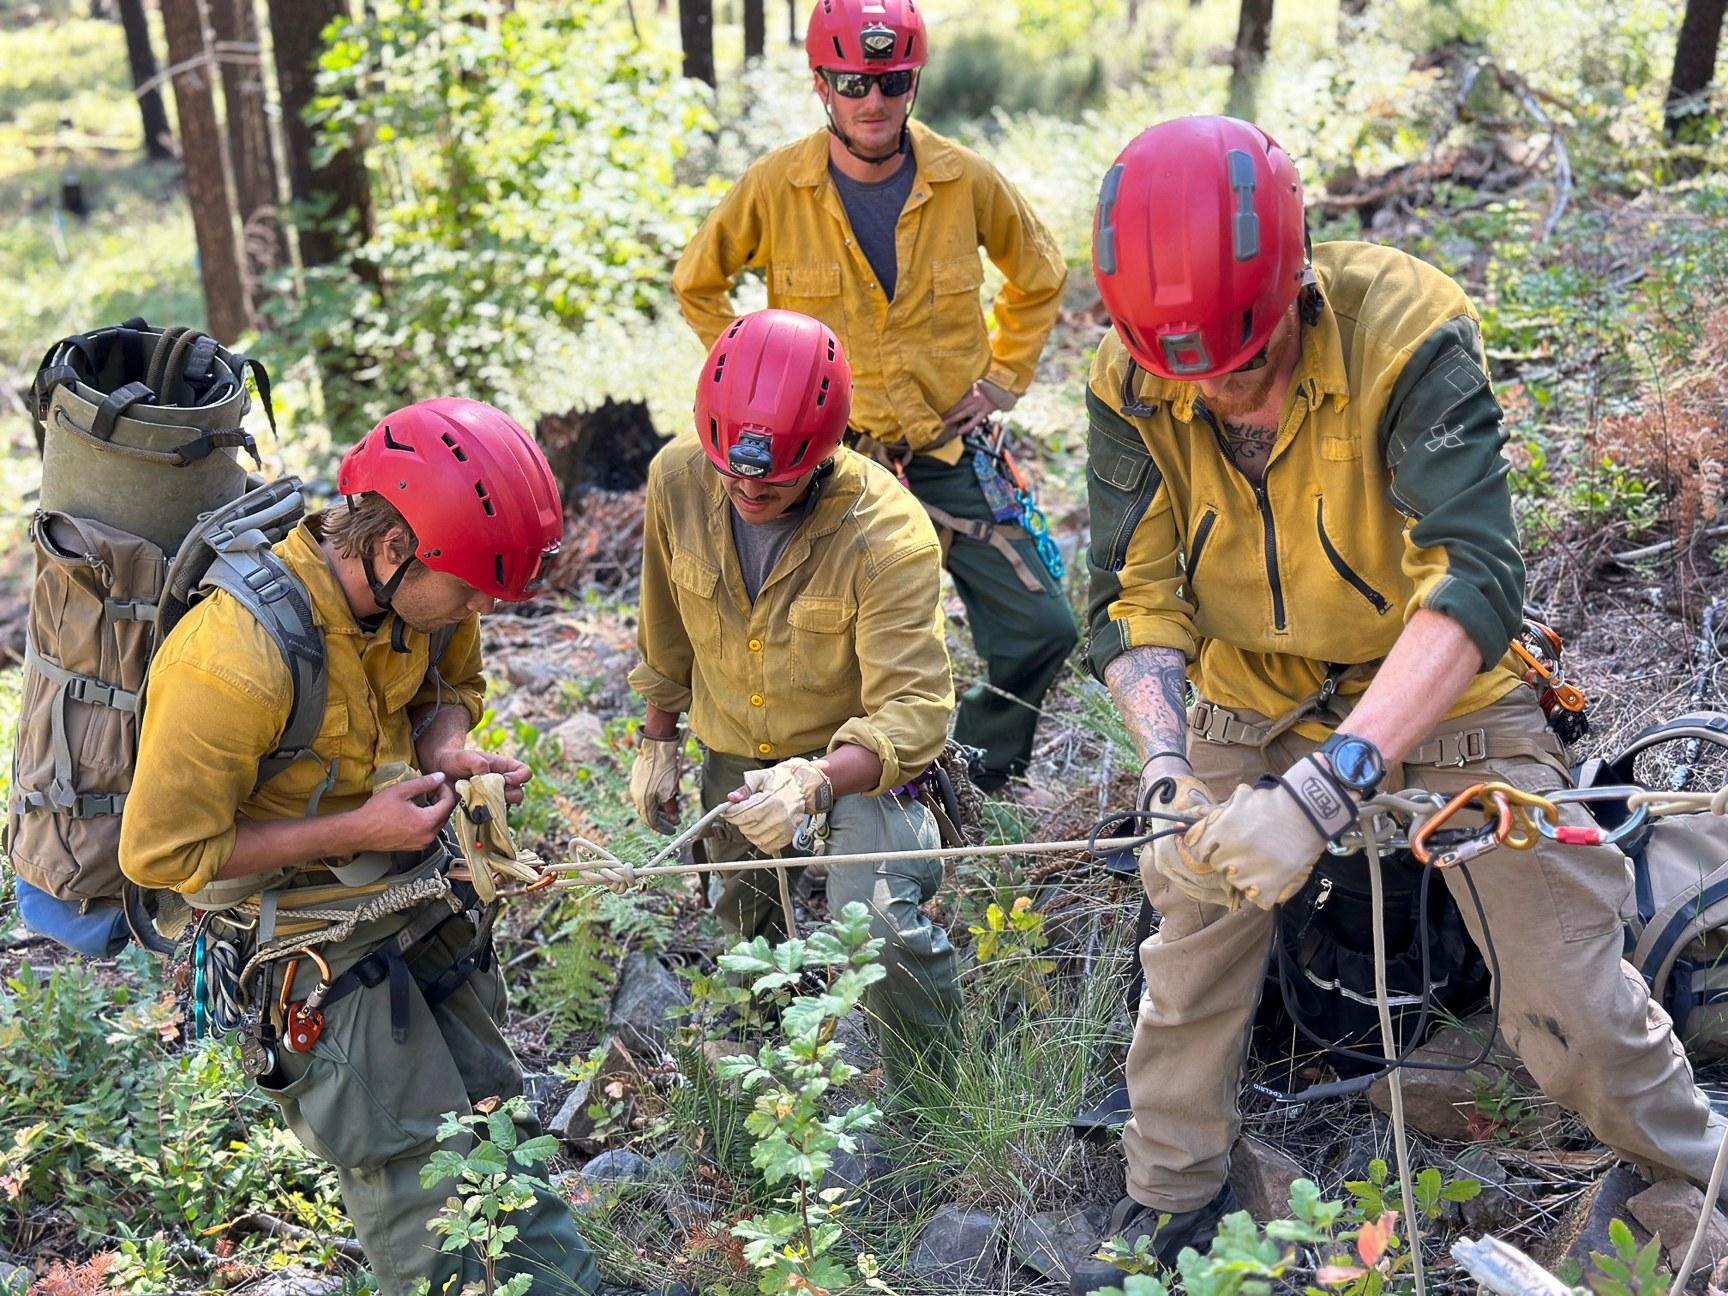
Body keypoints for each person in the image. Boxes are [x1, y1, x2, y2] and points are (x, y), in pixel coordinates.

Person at [1069, 114, 1728, 1288]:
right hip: (1248, 695)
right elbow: (1130, 599)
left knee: (1563, 981)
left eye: (1247, 357)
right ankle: (1172, 1202)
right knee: (1190, 939)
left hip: (1446, 682)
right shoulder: (1129, 378)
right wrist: (1170, 770)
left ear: (1297, 280)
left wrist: (1324, 791)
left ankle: (1695, 1170)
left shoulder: (1409, 329)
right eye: (1191, 372)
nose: (1221, 390)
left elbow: (1475, 580)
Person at [119, 399, 606, 1296]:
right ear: (391, 550)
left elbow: (450, 684)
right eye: (465, 591)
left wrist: (448, 745)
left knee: (496, 1109)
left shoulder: (430, 586)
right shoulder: (232, 657)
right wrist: (359, 828)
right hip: (299, 933)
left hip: (404, 888)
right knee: (412, 1164)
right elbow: (162, 856)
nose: (473, 609)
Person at [672, 0, 1076, 792]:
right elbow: (699, 284)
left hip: (947, 450)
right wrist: (759, 388)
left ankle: (972, 774)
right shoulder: (777, 185)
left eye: (892, 80)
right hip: (829, 459)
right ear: (823, 84)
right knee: (803, 647)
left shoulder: (964, 179)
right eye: (854, 81)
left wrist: (1002, 379)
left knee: (1042, 625)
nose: (874, 101)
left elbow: (1041, 273)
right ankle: (819, 792)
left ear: (912, 80)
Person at [628, 307, 961, 1079]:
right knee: (744, 926)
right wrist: (657, 736)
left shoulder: (887, 533)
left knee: (878, 924)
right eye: (731, 469)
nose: (746, 487)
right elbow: (664, 623)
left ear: (821, 450)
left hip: (860, 755)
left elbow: (914, 713)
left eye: (770, 478)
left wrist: (814, 779)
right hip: (734, 739)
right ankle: (769, 1069)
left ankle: (934, 1094)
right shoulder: (677, 479)